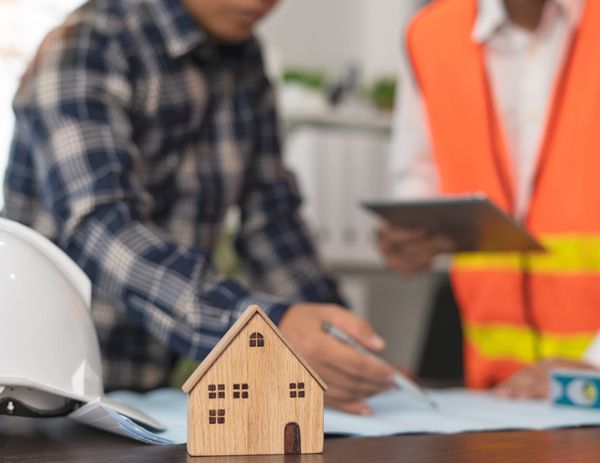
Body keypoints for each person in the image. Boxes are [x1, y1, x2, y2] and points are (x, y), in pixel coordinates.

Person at [2, 0, 396, 414]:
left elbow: (273, 221)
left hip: (145, 395)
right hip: (37, 397)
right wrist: (268, 331)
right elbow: (101, 226)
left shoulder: (243, 57)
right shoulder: (86, 43)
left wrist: (342, 346)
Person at [379, 0, 600, 398]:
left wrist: (594, 365)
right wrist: (411, 236)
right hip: (497, 400)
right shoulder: (429, 34)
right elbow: (419, 175)